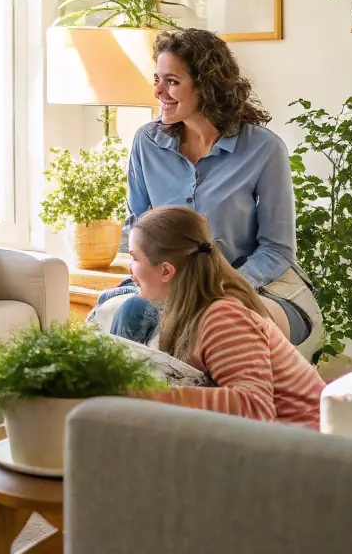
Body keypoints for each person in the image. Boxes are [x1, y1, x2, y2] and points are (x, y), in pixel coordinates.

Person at [95, 28, 322, 359]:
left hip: (250, 284)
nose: (158, 91)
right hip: (166, 282)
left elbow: (277, 248)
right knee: (131, 314)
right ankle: (129, 407)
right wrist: (161, 281)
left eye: (171, 81)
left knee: (227, 326)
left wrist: (214, 288)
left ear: (206, 85)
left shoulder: (264, 149)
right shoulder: (147, 143)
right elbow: (137, 227)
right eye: (157, 79)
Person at [127, 207, 326, 428]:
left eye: (134, 258)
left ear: (166, 271)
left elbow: (255, 408)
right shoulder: (188, 312)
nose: (129, 269)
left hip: (303, 445)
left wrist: (148, 397)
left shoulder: (221, 316)